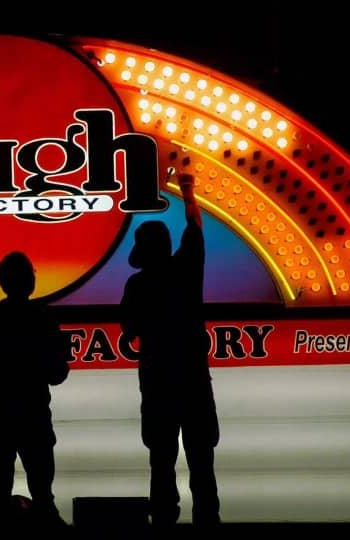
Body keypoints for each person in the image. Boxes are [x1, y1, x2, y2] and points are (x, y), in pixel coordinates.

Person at [120, 173, 220, 526]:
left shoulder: (137, 284)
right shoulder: (187, 269)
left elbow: (128, 333)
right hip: (193, 377)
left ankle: (163, 518)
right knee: (201, 456)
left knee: (161, 459)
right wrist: (189, 191)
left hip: (157, 380)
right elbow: (195, 226)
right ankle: (207, 519)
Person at [0, 252, 69, 526]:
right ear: (30, 281)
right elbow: (58, 373)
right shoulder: (44, 319)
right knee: (43, 498)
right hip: (35, 417)